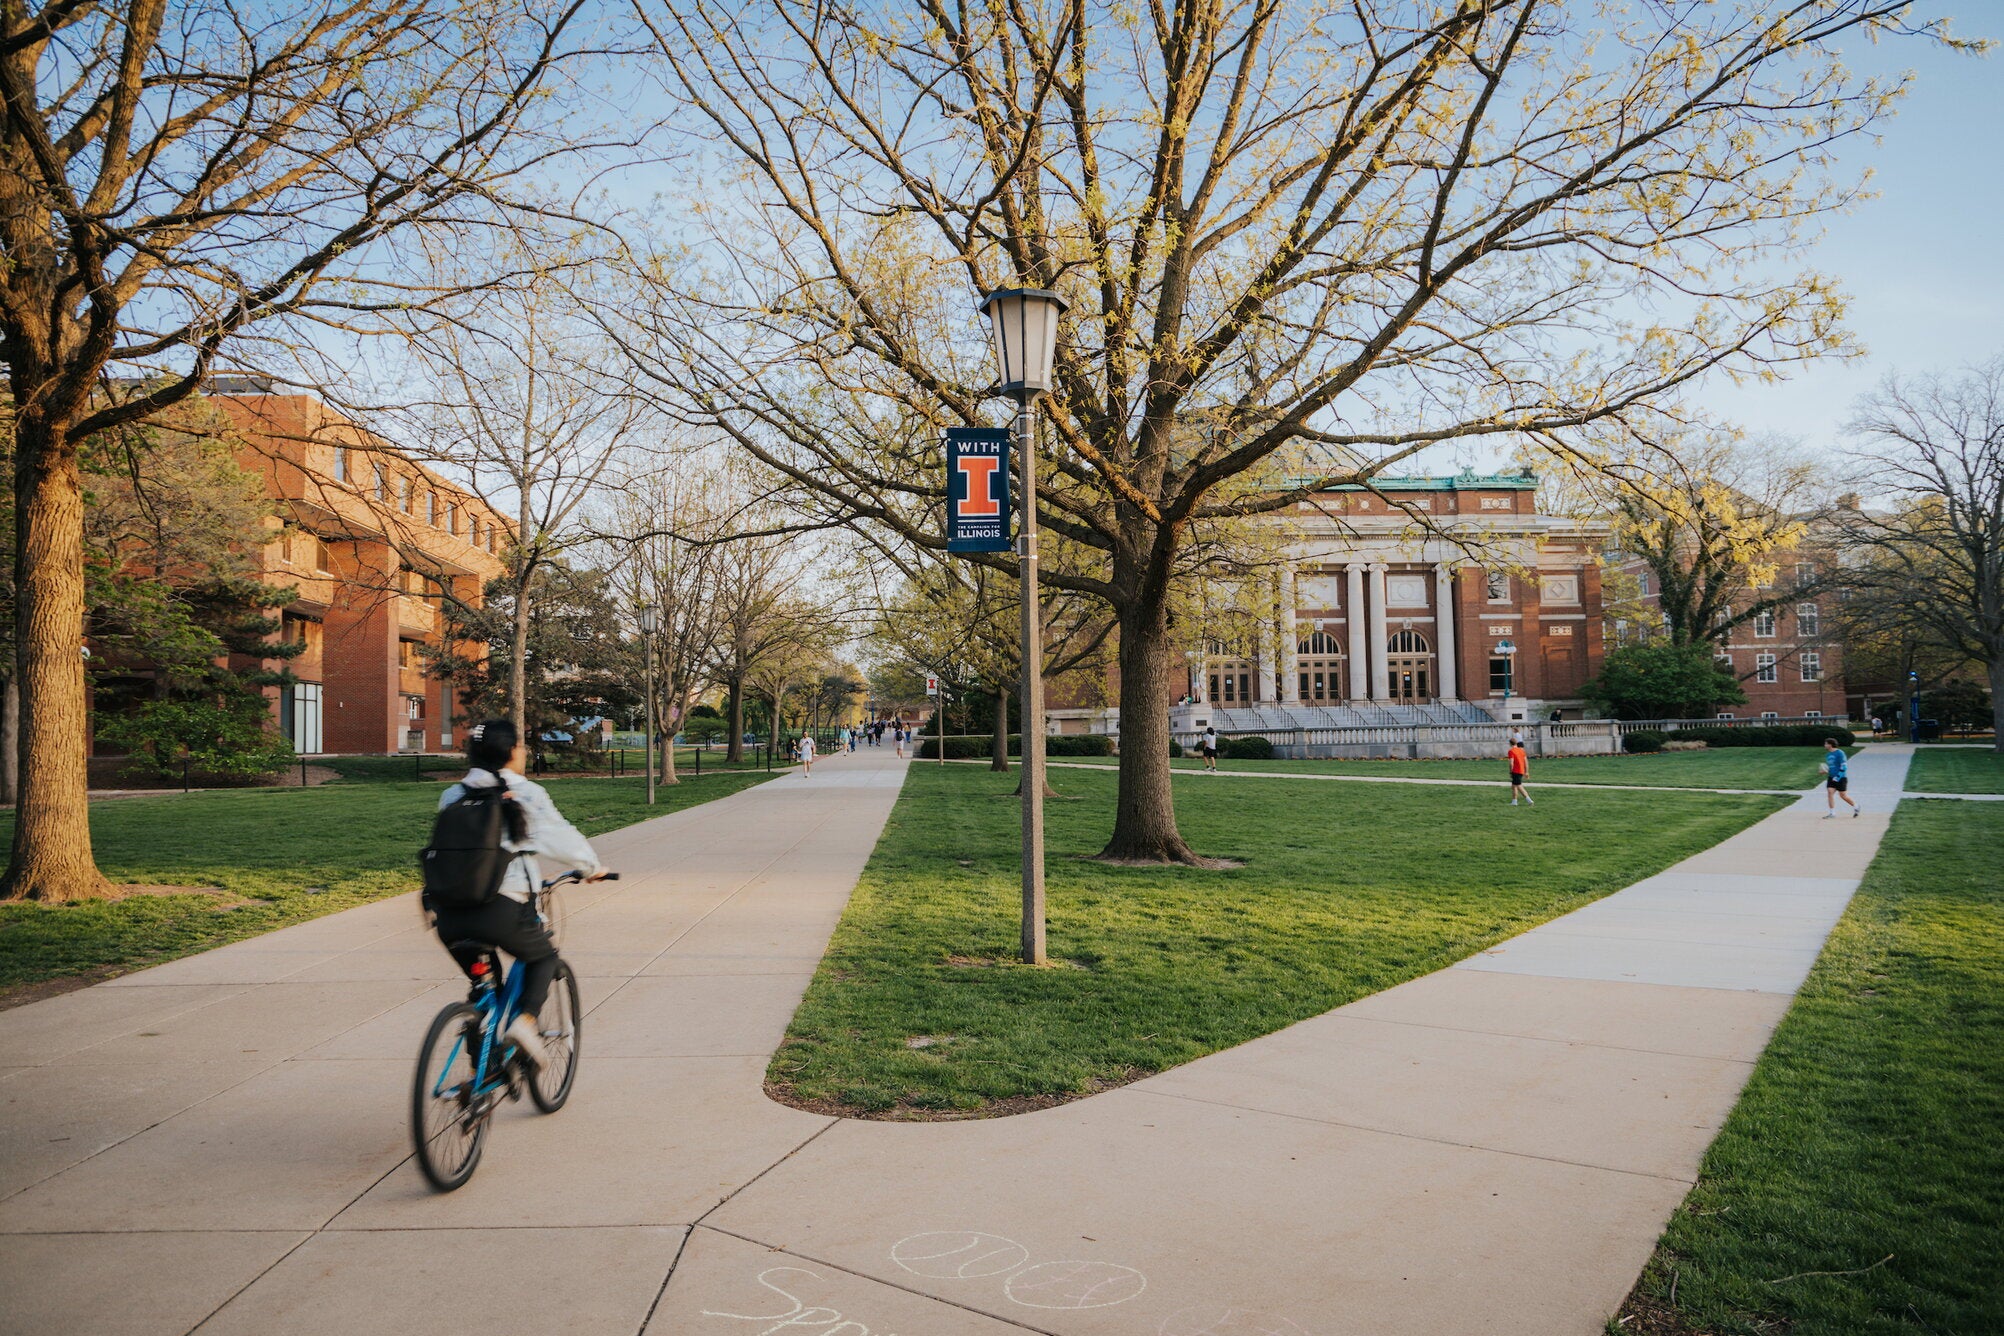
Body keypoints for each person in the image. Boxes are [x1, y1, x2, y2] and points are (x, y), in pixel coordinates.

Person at [429, 719, 609, 1070]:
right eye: (521, 746)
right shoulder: (527, 794)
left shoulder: (452, 795)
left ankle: (480, 1067)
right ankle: (525, 1024)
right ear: (511, 752)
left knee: (484, 985)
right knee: (543, 957)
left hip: (449, 915)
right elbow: (562, 838)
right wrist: (591, 868)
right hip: (503, 909)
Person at [1822, 738, 1860, 818]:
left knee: (1843, 795)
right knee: (1830, 793)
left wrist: (1838, 777)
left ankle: (1856, 806)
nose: (1824, 745)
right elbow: (1831, 767)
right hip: (1831, 777)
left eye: (1825, 744)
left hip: (1841, 778)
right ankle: (1832, 813)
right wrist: (1825, 771)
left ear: (1830, 744)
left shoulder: (1840, 753)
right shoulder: (1828, 755)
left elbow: (1844, 766)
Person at [1507, 739, 1533, 805]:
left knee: (1519, 786)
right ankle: (1514, 801)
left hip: (1515, 770)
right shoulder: (1522, 751)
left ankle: (1529, 800)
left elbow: (1511, 763)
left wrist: (1510, 771)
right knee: (1514, 786)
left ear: (1510, 744)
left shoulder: (1511, 751)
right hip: (1521, 770)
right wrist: (1526, 771)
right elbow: (1526, 762)